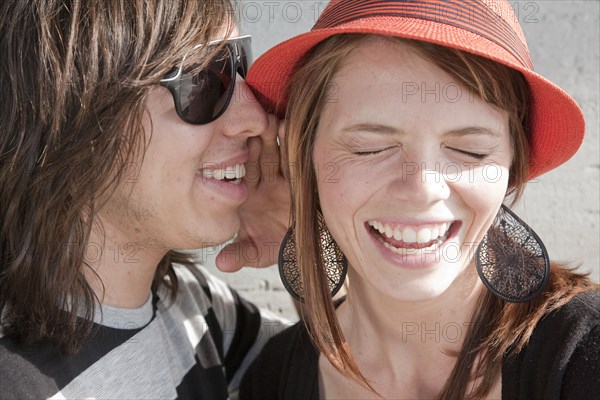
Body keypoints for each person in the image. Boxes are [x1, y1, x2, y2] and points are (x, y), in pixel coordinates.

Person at [240, 0, 600, 399]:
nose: (423, 188)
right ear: (298, 154)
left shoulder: (585, 358)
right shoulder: (271, 380)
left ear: (512, 164)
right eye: (370, 147)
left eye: (471, 151)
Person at [0, 1, 290, 399]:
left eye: (239, 66)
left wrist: (305, 254)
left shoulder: (196, 307)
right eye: (204, 80)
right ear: (77, 112)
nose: (254, 119)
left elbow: (347, 375)